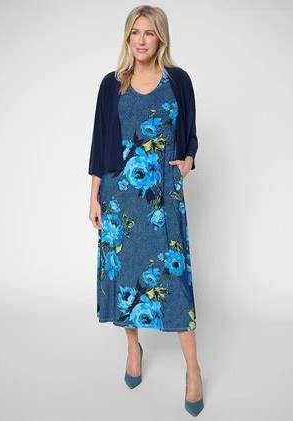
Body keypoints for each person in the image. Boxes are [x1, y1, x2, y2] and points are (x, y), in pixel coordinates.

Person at [88, 5, 204, 416]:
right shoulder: (112, 85)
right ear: (128, 37)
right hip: (119, 197)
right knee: (125, 277)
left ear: (160, 38)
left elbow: (190, 134)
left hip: (162, 199)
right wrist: (94, 196)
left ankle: (193, 370)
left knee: (174, 281)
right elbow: (100, 141)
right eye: (135, 32)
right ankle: (133, 348)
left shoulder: (178, 81)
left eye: (149, 33)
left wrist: (187, 161)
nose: (141, 40)